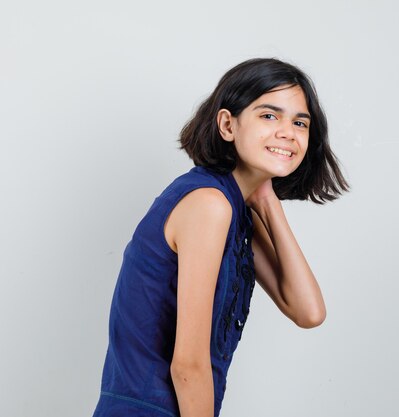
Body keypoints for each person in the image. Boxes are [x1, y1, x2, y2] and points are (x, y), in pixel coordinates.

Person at [92, 57, 350, 417]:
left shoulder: (234, 209)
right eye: (269, 116)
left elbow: (308, 311)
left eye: (300, 122)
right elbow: (187, 366)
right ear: (228, 124)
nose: (288, 132)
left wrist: (268, 203)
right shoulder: (209, 206)